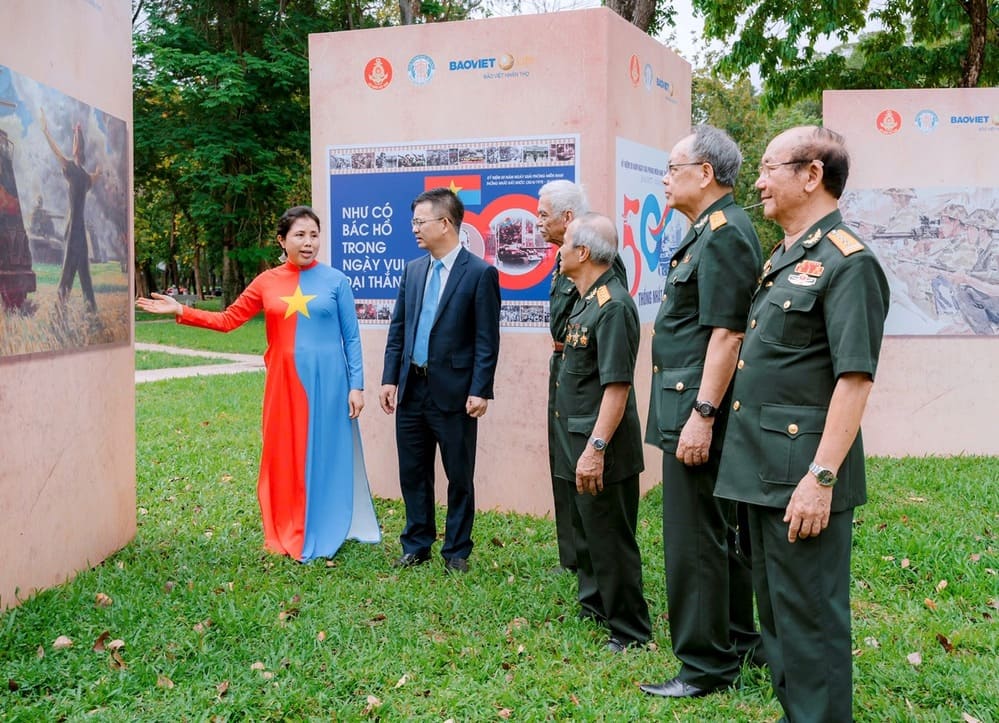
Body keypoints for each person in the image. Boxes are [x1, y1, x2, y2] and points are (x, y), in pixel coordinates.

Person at [714, 126, 890, 721]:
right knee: (781, 625)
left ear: (811, 174)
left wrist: (821, 477)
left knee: (810, 624)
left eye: (769, 168)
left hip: (800, 478)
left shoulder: (848, 262)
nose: (758, 182)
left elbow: (854, 380)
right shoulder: (788, 253)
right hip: (763, 473)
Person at [136, 206, 381, 562]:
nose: (308, 242)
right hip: (283, 384)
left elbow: (351, 338)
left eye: (314, 235)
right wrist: (181, 311)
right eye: (300, 235)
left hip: (330, 385)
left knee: (325, 452)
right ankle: (287, 524)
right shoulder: (267, 281)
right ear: (282, 240)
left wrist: (355, 385)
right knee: (283, 453)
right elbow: (228, 319)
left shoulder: (337, 281)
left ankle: (325, 523)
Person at [640, 126, 763, 699]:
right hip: (684, 402)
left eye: (672, 167)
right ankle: (738, 641)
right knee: (717, 534)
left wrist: (704, 413)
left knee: (693, 538)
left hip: (697, 410)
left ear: (704, 173)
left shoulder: (725, 234)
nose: (665, 178)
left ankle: (705, 667)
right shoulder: (706, 233)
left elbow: (727, 335)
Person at [379, 187, 501, 573]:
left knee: (458, 475)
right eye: (413, 221)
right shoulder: (414, 270)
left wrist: (481, 388)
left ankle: (457, 551)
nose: (414, 228)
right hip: (412, 388)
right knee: (413, 471)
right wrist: (389, 378)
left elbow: (487, 338)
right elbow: (398, 327)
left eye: (420, 221)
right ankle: (417, 543)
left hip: (455, 393)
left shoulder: (480, 274)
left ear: (445, 223)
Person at [552, 212, 651, 652]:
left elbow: (617, 386)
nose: (559, 250)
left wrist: (595, 449)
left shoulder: (613, 306)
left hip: (601, 444)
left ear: (583, 253)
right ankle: (595, 606)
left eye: (566, 243)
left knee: (611, 538)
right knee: (588, 532)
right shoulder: (584, 298)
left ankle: (630, 630)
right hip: (576, 435)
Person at [537, 180, 627, 574]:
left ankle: (591, 560)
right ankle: (570, 556)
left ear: (568, 218)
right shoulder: (561, 257)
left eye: (544, 215)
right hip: (563, 366)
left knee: (583, 466)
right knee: (562, 464)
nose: (539, 223)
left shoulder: (600, 262)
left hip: (587, 372)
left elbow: (604, 327)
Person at [40, 111, 99, 312]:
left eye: (74, 141)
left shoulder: (75, 171)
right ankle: (89, 305)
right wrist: (99, 172)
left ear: (76, 148)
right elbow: (95, 176)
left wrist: (46, 131)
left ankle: (62, 306)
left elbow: (56, 151)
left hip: (74, 226)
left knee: (70, 267)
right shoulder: (85, 176)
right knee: (82, 269)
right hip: (79, 228)